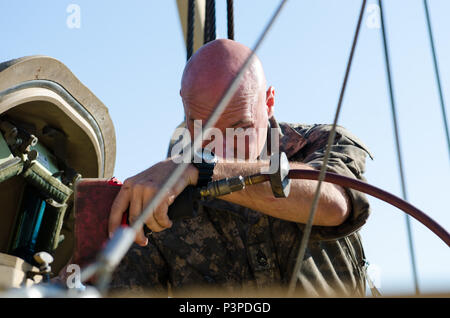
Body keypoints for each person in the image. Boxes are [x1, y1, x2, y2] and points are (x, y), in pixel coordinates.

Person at [108, 39, 373, 297]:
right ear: (185, 109)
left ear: (268, 102)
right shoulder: (156, 198)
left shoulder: (320, 144)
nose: (221, 149)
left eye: (241, 128)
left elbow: (333, 206)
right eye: (205, 130)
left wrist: (204, 168)